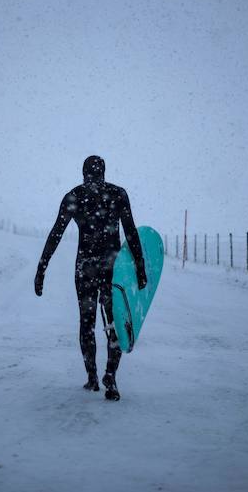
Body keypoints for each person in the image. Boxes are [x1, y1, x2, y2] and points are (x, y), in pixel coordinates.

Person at [34, 155, 147, 401]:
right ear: (104, 172)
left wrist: (41, 269)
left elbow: (55, 234)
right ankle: (111, 376)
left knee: (87, 323)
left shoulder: (74, 196)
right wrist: (140, 268)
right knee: (113, 323)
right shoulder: (118, 194)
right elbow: (131, 233)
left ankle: (93, 377)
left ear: (83, 172)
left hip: (86, 269)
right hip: (111, 269)